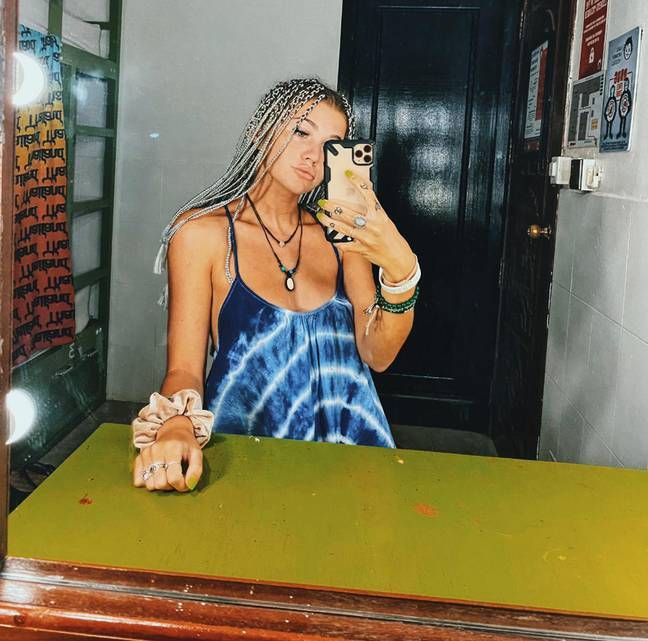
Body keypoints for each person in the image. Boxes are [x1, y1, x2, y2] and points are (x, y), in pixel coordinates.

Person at [131, 78, 420, 493]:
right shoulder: (201, 235)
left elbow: (378, 354)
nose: (313, 155)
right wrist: (176, 424)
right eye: (301, 132)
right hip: (246, 456)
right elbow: (184, 369)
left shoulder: (341, 238)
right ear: (259, 130)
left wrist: (400, 268)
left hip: (353, 456)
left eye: (330, 146)